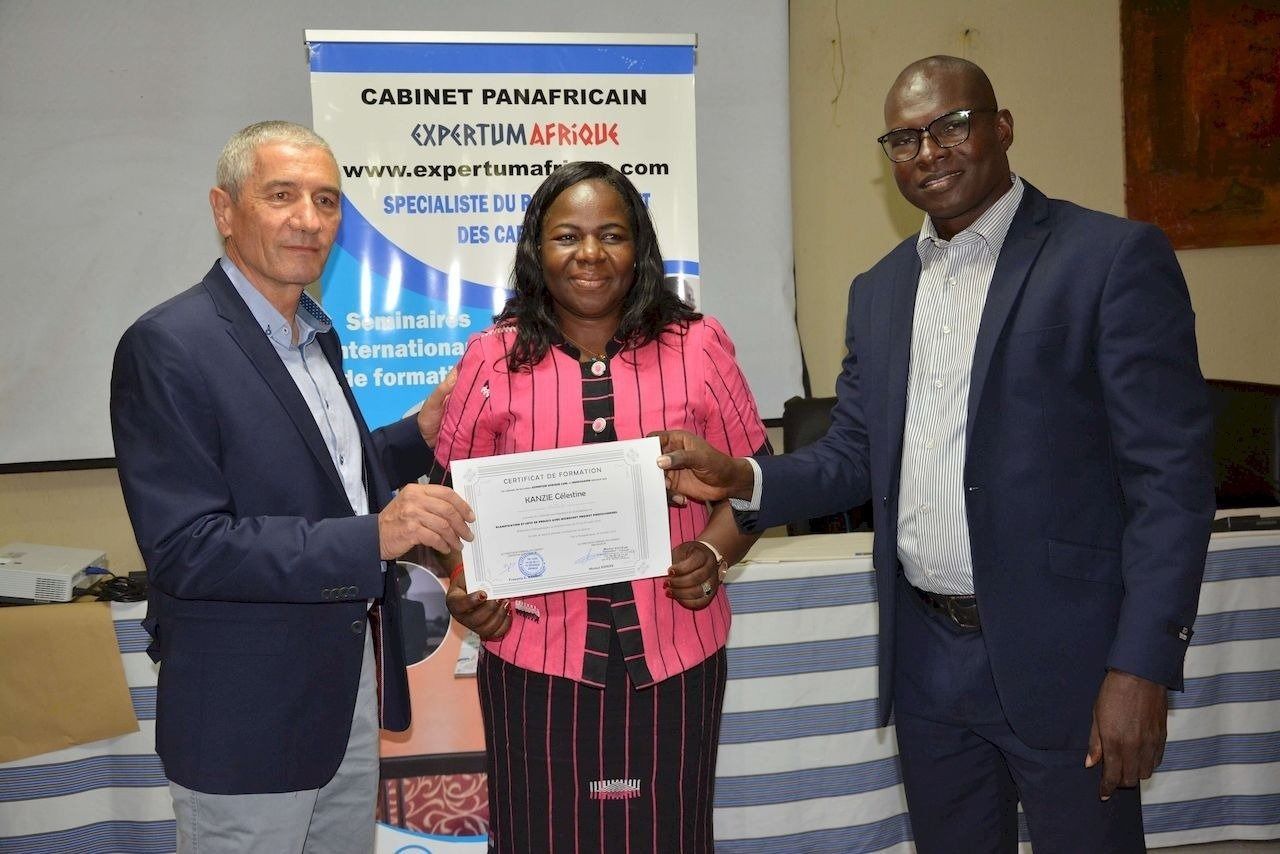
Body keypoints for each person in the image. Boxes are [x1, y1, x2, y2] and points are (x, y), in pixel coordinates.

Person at [656, 56, 1215, 852]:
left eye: (951, 125)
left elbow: (1171, 482)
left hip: (1072, 659)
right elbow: (855, 453)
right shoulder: (880, 290)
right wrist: (741, 476)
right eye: (904, 139)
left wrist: (1142, 666)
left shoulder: (1109, 258)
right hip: (928, 662)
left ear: (1002, 127)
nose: (929, 152)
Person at [110, 120, 474, 854]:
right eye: (282, 196)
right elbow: (188, 548)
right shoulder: (169, 344)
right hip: (245, 718)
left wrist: (419, 433)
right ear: (224, 210)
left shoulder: (314, 335)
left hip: (342, 697)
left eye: (326, 200)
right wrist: (374, 538)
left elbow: (327, 482)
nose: (309, 219)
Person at [434, 161, 769, 852]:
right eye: (568, 236)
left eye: (611, 235)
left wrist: (713, 553)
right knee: (541, 836)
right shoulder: (492, 359)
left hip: (675, 654)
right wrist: (466, 587)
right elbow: (445, 510)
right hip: (535, 660)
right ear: (537, 249)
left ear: (639, 249)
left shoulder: (700, 347)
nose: (590, 253)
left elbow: (759, 485)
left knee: (668, 837)